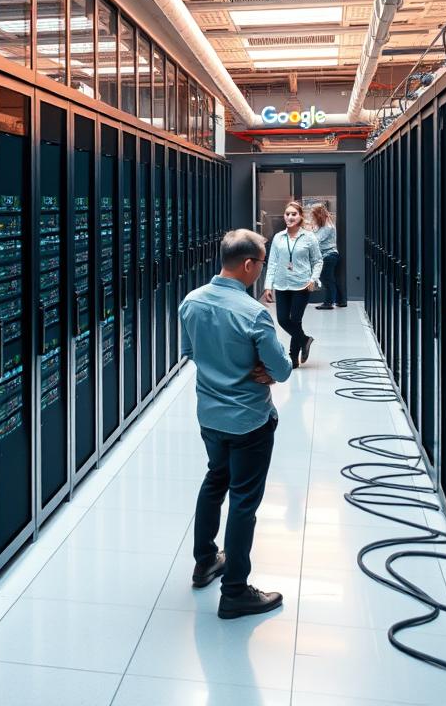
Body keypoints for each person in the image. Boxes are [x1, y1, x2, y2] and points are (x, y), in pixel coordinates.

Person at [179, 229, 293, 619]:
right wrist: (265, 370)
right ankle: (235, 591)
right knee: (244, 502)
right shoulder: (253, 313)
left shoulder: (191, 302)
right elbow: (281, 368)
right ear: (248, 265)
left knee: (215, 480)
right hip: (249, 421)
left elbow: (191, 352)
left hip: (210, 416)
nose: (261, 270)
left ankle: (205, 561)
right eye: (261, 263)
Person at [262, 202, 322, 367]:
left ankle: (293, 357)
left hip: (301, 284)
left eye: (293, 214)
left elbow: (318, 261)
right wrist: (268, 286)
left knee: (295, 321)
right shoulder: (278, 237)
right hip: (281, 284)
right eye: (287, 214)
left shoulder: (309, 237)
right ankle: (305, 340)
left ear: (301, 216)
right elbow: (272, 262)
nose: (289, 217)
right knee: (282, 319)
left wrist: (313, 279)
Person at [310, 203, 346, 309]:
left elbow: (316, 240)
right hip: (328, 256)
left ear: (318, 214)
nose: (312, 217)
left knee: (326, 279)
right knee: (330, 279)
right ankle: (341, 301)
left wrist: (309, 233)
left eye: (313, 215)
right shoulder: (322, 225)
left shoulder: (327, 227)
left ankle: (329, 303)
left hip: (329, 256)